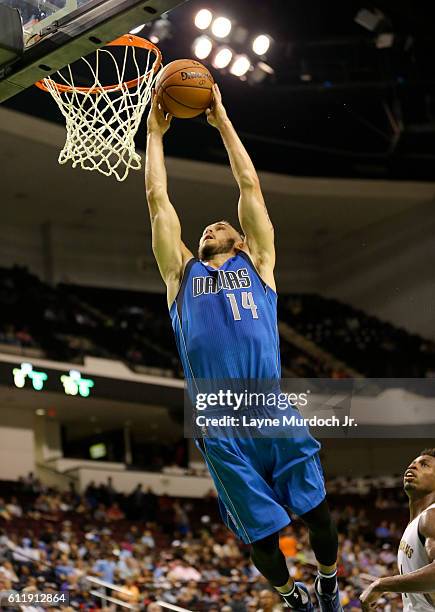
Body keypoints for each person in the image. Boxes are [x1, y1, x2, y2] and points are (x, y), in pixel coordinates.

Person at [145, 83, 341, 611]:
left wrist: (222, 119)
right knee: (259, 537)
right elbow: (157, 200)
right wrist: (154, 135)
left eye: (222, 224)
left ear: (241, 240)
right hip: (218, 420)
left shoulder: (259, 265)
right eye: (207, 227)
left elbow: (249, 185)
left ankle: (327, 580)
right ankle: (290, 595)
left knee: (318, 513)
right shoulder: (179, 274)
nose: (213, 224)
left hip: (268, 404)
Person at [360, 448, 435, 610]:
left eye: (424, 465)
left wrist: (382, 585)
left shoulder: (432, 516)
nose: (413, 467)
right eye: (412, 463)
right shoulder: (415, 523)